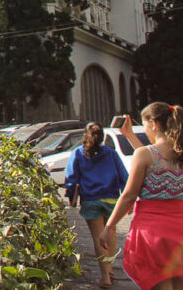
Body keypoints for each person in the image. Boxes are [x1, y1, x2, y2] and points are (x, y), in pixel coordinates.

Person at [100, 103, 183, 290]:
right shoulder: (179, 153)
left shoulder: (144, 154)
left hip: (153, 233)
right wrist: (129, 136)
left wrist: (109, 226)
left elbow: (129, 195)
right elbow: (155, 159)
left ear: (153, 124)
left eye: (144, 124)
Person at [65, 122, 129, 288]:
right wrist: (128, 199)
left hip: (91, 200)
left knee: (97, 238)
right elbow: (124, 175)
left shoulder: (78, 153)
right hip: (112, 200)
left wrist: (71, 196)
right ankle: (109, 267)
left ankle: (105, 277)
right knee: (111, 234)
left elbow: (71, 178)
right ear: (102, 137)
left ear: (85, 135)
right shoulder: (111, 153)